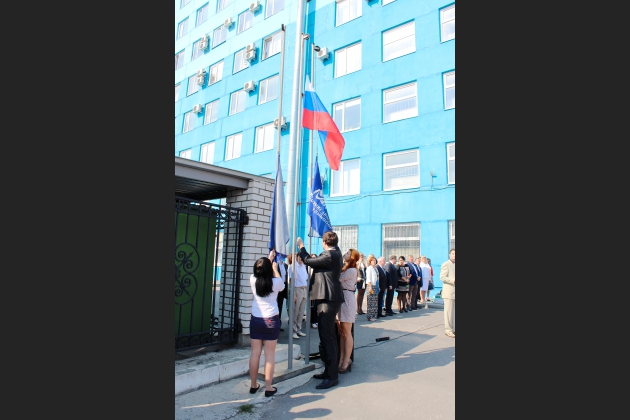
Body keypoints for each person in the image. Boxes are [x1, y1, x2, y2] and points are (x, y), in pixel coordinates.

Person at [296, 232, 344, 390]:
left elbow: (308, 260)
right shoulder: (335, 253)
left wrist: (301, 247)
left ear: (325, 242)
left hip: (328, 298)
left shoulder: (329, 254)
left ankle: (332, 376)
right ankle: (328, 371)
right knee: (327, 337)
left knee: (327, 338)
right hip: (328, 298)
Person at [248, 250, 284, 397]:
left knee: (255, 353)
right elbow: (282, 285)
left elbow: (261, 271)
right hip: (271, 320)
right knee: (269, 355)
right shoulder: (276, 282)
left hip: (256, 319)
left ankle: (253, 385)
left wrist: (268, 260)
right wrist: (275, 269)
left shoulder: (252, 279)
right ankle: (268, 387)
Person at [337, 249, 359, 373]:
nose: (344, 254)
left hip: (347, 300)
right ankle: (342, 359)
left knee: (347, 331)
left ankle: (346, 361)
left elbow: (337, 278)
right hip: (342, 299)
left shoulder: (351, 270)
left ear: (352, 257)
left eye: (347, 253)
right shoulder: (346, 268)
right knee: (342, 332)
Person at [290, 253, 309, 339]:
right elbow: (291, 280)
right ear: (297, 258)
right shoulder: (294, 266)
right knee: (296, 311)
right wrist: (294, 294)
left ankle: (298, 329)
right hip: (297, 289)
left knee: (301, 311)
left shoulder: (304, 266)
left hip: (304, 289)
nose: (301, 259)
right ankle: (293, 330)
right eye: (300, 258)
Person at [440, 249, 455, 338]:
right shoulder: (446, 264)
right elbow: (442, 277)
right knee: (449, 312)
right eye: (453, 254)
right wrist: (453, 280)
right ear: (449, 255)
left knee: (454, 312)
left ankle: (453, 328)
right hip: (449, 292)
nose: (454, 255)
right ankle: (448, 330)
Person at [276, 256, 289, 332]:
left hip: (283, 288)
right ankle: (275, 324)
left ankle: (278, 324)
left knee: (280, 306)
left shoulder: (285, 265)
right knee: (276, 307)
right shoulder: (275, 265)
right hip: (276, 288)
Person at [365, 255, 379, 321]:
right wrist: (370, 287)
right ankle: (370, 316)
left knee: (375, 302)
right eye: (372, 260)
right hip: (371, 286)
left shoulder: (375, 268)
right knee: (371, 302)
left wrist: (378, 286)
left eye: (375, 260)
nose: (374, 261)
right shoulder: (369, 268)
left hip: (376, 286)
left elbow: (377, 278)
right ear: (370, 261)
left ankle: (374, 315)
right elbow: (369, 278)